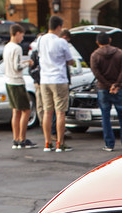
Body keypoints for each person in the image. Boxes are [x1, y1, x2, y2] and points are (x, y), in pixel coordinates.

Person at [90, 30, 122, 152]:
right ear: (110, 40)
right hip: (118, 89)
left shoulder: (95, 55)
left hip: (103, 89)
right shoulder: (119, 53)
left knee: (105, 116)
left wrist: (108, 85)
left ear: (97, 42)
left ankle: (109, 144)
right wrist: (116, 84)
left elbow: (96, 73)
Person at [37, 15, 75, 153]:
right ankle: (60, 143)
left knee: (47, 112)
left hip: (44, 80)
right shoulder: (61, 42)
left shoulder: (40, 40)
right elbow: (70, 60)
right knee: (60, 112)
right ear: (59, 27)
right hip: (58, 79)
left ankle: (47, 143)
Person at [3, 23, 35, 149]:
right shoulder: (17, 48)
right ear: (17, 33)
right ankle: (22, 138)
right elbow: (17, 66)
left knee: (15, 111)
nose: (22, 38)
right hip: (17, 81)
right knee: (26, 110)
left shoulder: (6, 47)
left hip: (8, 80)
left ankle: (15, 138)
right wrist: (28, 63)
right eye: (21, 35)